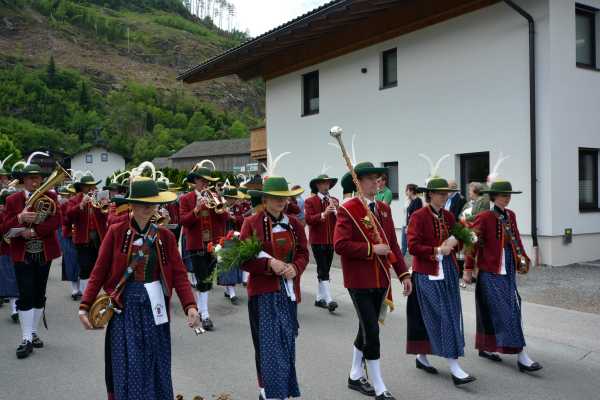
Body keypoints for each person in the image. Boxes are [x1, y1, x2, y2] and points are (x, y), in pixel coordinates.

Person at [78, 174, 200, 400]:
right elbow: (99, 270)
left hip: (156, 307)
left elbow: (180, 275)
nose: (148, 208)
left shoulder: (165, 236)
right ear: (132, 204)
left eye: (152, 203)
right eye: (143, 204)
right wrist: (85, 305)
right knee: (130, 362)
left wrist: (190, 306)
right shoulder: (116, 231)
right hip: (125, 306)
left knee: (155, 361)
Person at [335, 162, 412, 400]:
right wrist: (371, 249)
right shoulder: (348, 209)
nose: (374, 183)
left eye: (376, 179)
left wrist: (403, 274)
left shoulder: (383, 209)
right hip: (358, 280)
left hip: (381, 279)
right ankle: (379, 384)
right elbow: (340, 245)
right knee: (371, 330)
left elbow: (392, 245)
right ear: (358, 183)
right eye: (368, 179)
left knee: (366, 328)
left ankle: (354, 375)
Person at [464, 178, 542, 373]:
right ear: (494, 197)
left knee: (498, 310)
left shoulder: (511, 215)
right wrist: (467, 268)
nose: (507, 199)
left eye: (509, 196)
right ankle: (521, 355)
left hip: (507, 269)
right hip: (490, 271)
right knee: (509, 311)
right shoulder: (484, 217)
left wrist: (523, 258)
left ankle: (486, 347)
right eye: (503, 195)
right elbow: (471, 242)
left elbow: (516, 240)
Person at [242, 175, 308, 400]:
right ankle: (267, 390)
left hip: (288, 293)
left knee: (286, 342)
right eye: (276, 198)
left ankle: (282, 388)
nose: (282, 202)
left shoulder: (295, 223)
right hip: (262, 294)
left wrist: (295, 268)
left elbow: (303, 253)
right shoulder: (251, 223)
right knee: (266, 346)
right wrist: (269, 263)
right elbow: (243, 260)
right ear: (266, 199)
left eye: (284, 198)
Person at [406, 171, 475, 386]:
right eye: (441, 193)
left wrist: (465, 237)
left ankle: (422, 356)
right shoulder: (418, 216)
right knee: (442, 317)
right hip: (427, 274)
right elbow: (413, 246)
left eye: (447, 193)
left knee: (450, 315)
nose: (445, 196)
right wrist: (437, 250)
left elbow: (461, 241)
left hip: (448, 273)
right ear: (430, 195)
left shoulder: (448, 216)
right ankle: (454, 366)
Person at [4, 155, 61, 359]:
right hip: (22, 254)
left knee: (39, 294)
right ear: (23, 180)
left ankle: (34, 331)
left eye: (38, 178)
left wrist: (36, 230)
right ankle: (26, 338)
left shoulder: (51, 198)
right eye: (30, 178)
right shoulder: (13, 200)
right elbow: (3, 227)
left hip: (43, 252)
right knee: (26, 294)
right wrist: (20, 220)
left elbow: (56, 221)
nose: (35, 182)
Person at [179, 161, 227, 331]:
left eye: (207, 181)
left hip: (214, 244)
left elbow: (224, 218)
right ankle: (205, 315)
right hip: (196, 244)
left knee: (207, 280)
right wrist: (196, 210)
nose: (206, 184)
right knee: (203, 279)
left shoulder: (214, 196)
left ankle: (200, 310)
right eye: (202, 180)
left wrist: (220, 206)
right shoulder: (186, 199)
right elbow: (183, 221)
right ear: (195, 181)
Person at [66, 172, 107, 295]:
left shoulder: (99, 197)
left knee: (99, 267)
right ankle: (85, 295)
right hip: (82, 239)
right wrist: (81, 205)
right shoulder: (75, 199)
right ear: (82, 187)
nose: (91, 188)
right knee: (85, 267)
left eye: (93, 185)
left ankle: (97, 294)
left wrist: (105, 207)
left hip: (99, 238)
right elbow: (68, 216)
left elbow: (106, 216)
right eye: (88, 186)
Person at [304, 173, 339, 313]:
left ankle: (319, 298)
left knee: (325, 269)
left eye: (328, 183)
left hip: (331, 240)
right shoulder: (310, 201)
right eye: (323, 183)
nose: (326, 186)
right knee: (323, 269)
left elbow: (340, 220)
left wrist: (338, 210)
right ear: (318, 185)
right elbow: (309, 220)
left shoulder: (334, 200)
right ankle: (329, 299)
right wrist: (324, 214)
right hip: (318, 240)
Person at [218, 186, 250, 305]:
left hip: (235, 239)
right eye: (228, 197)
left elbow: (244, 220)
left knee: (233, 266)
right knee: (225, 265)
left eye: (232, 198)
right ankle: (231, 293)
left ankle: (229, 290)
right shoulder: (221, 207)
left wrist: (233, 217)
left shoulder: (239, 207)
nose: (230, 200)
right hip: (222, 239)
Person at [57, 185, 81, 300]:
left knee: (81, 262)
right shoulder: (64, 204)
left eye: (75, 194)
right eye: (72, 194)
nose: (73, 196)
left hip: (81, 237)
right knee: (71, 262)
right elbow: (64, 221)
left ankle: (80, 288)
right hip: (69, 236)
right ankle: (74, 288)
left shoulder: (84, 202)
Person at [0, 188, 19, 323]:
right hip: (5, 251)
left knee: (19, 280)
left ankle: (19, 308)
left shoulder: (19, 212)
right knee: (11, 280)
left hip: (20, 250)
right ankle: (14, 309)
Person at [402, 183, 422, 256]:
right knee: (404, 244)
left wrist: (409, 226)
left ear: (411, 191)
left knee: (412, 245)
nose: (406, 192)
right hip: (408, 225)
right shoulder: (412, 201)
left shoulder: (418, 200)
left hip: (413, 227)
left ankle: (414, 263)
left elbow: (415, 216)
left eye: (407, 190)